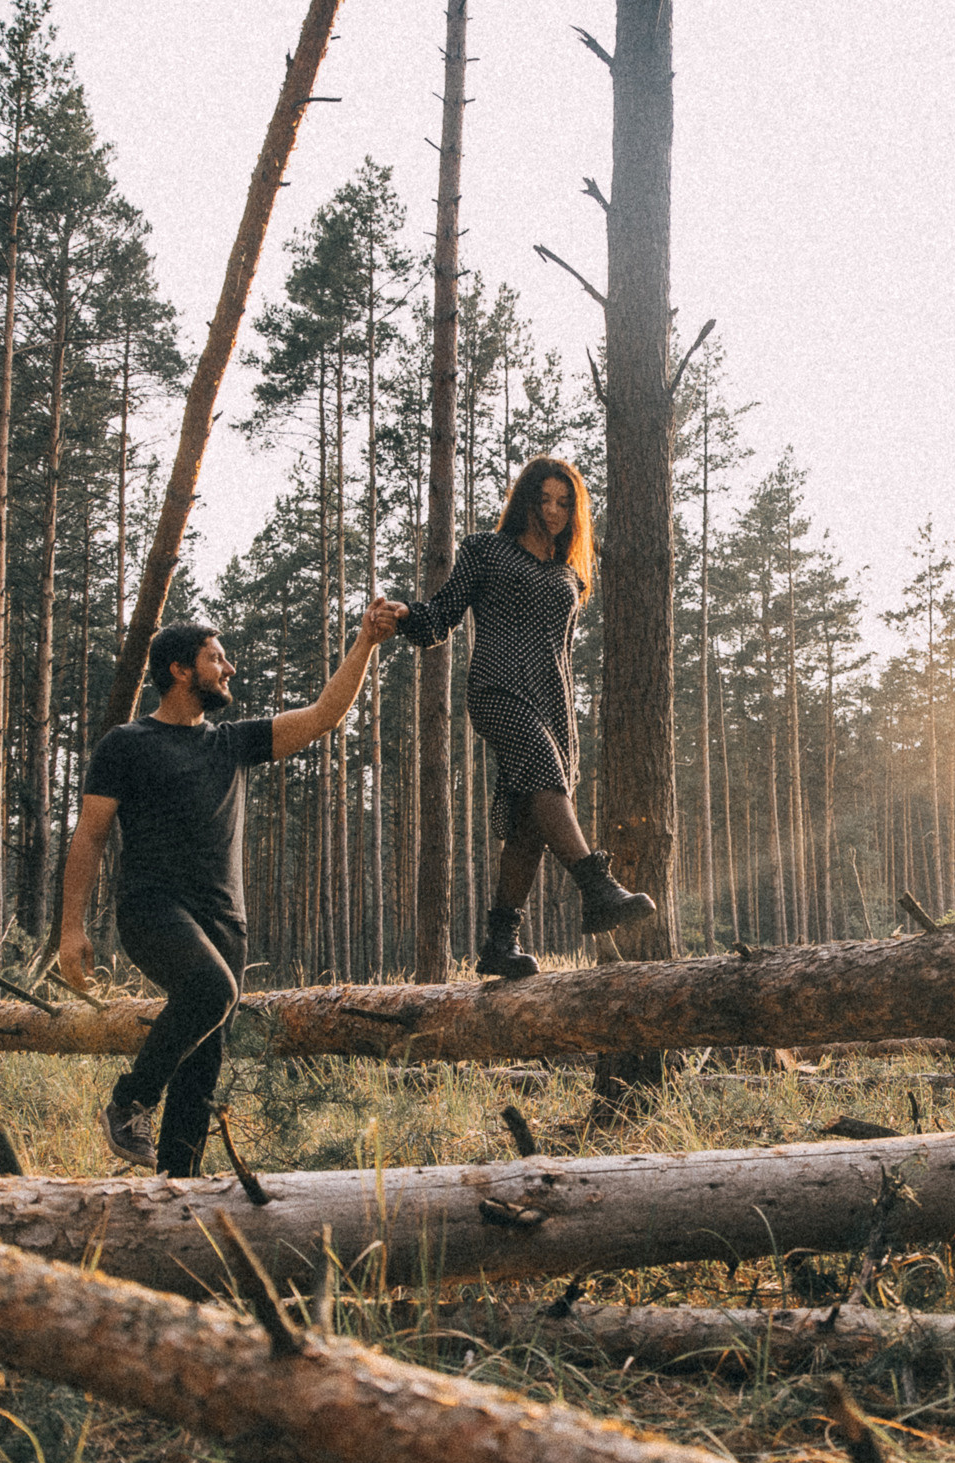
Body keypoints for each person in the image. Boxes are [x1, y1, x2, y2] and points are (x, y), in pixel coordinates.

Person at [59, 606, 404, 1173]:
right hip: (152, 909)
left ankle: (179, 1189)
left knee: (202, 1065)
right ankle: (130, 1101)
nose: (230, 669)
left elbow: (323, 715)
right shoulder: (126, 744)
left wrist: (365, 642)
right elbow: (90, 836)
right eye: (216, 658)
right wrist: (72, 929)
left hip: (226, 921)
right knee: (210, 991)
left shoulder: (232, 744)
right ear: (179, 670)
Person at [396, 456, 654, 978]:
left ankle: (499, 943)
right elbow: (440, 616)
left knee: (530, 819)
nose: (554, 511)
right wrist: (404, 613)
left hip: (553, 703)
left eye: (565, 502)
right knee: (539, 773)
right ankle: (595, 886)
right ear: (525, 500)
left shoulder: (570, 576)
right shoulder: (485, 550)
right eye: (545, 499)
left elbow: (557, 650)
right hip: (496, 689)